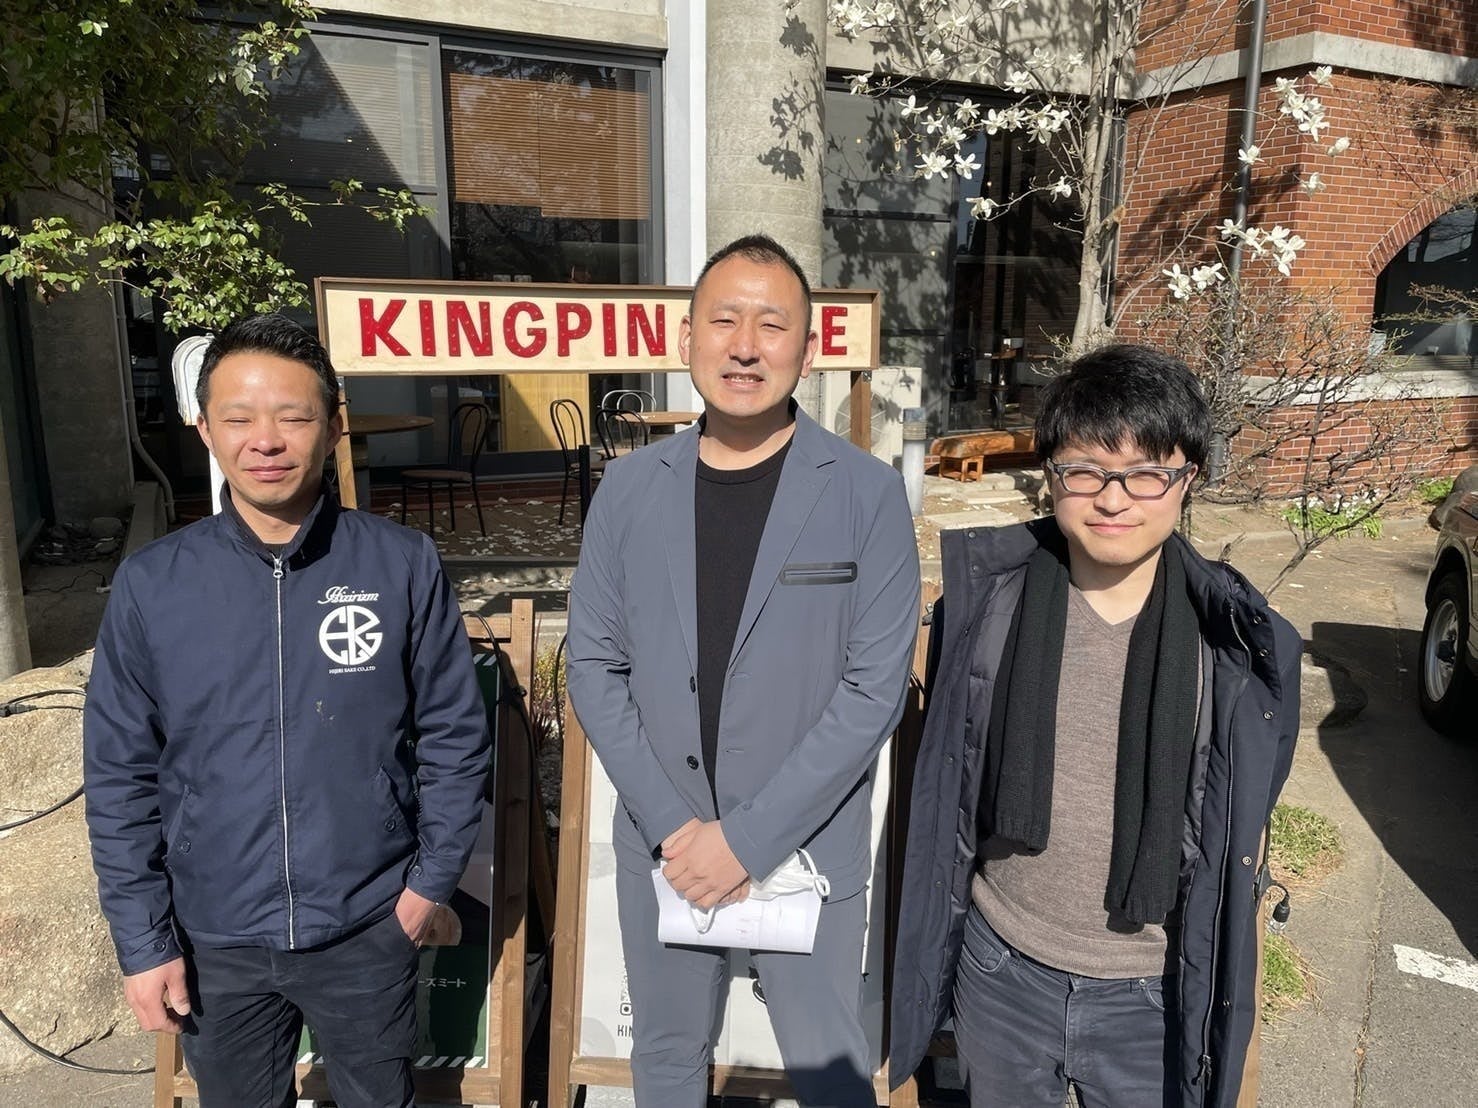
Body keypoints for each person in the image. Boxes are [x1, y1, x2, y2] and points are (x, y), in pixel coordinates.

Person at [83, 313, 491, 1108]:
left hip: (368, 923)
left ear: (334, 426)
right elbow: (119, 775)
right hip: (214, 935)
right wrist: (143, 940)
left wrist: (426, 887)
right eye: (238, 418)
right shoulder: (153, 585)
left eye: (293, 416)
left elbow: (454, 732)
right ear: (205, 430)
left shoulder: (399, 564)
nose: (265, 440)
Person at [889, 344, 1301, 1107]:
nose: (1114, 499)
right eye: (1085, 470)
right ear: (1051, 475)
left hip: (1155, 992)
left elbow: (1238, 821)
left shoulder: (1238, 648)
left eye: (1146, 472)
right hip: (1002, 971)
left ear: (1188, 479)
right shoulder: (985, 610)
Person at [566, 234, 921, 1107]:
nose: (745, 346)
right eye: (724, 321)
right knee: (666, 1059)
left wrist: (748, 840)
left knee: (830, 1066)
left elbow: (874, 689)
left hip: (806, 845)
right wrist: (673, 827)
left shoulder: (866, 493)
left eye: (772, 324)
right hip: (667, 844)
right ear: (686, 338)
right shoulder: (628, 489)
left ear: (809, 349)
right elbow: (594, 666)